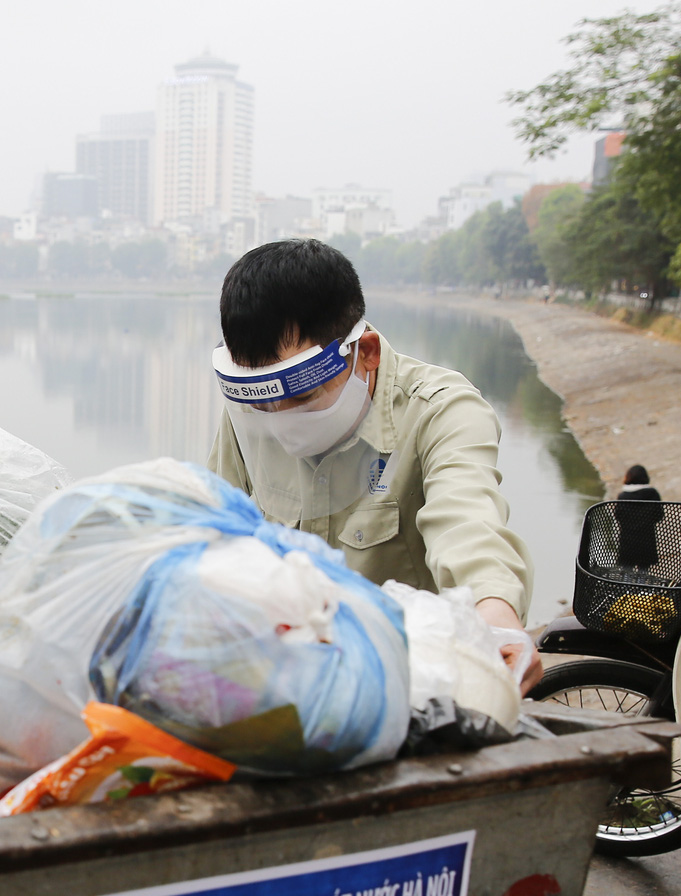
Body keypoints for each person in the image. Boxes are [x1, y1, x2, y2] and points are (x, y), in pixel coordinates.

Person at [208, 239, 541, 689]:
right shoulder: (253, 414)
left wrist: (496, 615)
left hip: (408, 684)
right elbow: (209, 524)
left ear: (365, 352)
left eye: (303, 397)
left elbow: (468, 523)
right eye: (264, 404)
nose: (281, 422)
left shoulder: (441, 411)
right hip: (283, 678)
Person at [614, 464, 664, 569]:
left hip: (627, 543)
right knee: (643, 571)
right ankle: (641, 583)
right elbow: (659, 515)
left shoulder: (623, 496)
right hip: (647, 542)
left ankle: (626, 584)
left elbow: (618, 516)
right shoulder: (653, 494)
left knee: (626, 571)